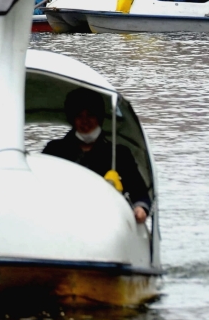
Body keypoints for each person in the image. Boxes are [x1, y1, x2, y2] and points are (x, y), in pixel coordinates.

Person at [43, 88, 151, 224]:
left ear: (99, 118)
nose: (85, 121)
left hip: (107, 220)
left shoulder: (119, 154)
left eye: (90, 115)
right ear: (72, 119)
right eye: (79, 116)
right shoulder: (54, 150)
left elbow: (140, 192)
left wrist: (140, 208)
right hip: (62, 218)